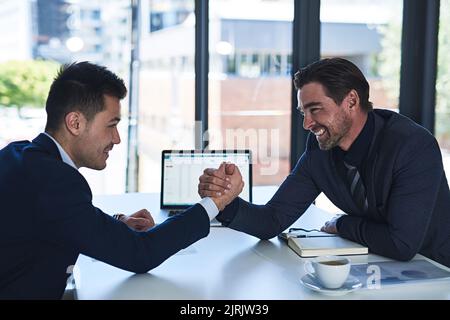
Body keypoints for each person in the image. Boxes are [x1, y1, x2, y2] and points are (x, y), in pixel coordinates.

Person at [0, 62, 231, 299]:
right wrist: (214, 203)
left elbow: (57, 218)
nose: (117, 139)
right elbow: (140, 254)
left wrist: (117, 222)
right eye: (111, 125)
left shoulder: (18, 154)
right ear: (75, 123)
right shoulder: (56, 181)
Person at [198, 58, 450, 268]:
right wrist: (225, 201)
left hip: (433, 269)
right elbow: (271, 220)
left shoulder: (412, 145)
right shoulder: (320, 152)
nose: (307, 124)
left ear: (351, 101)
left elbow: (401, 243)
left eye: (315, 109)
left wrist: (342, 224)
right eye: (303, 113)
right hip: (376, 266)